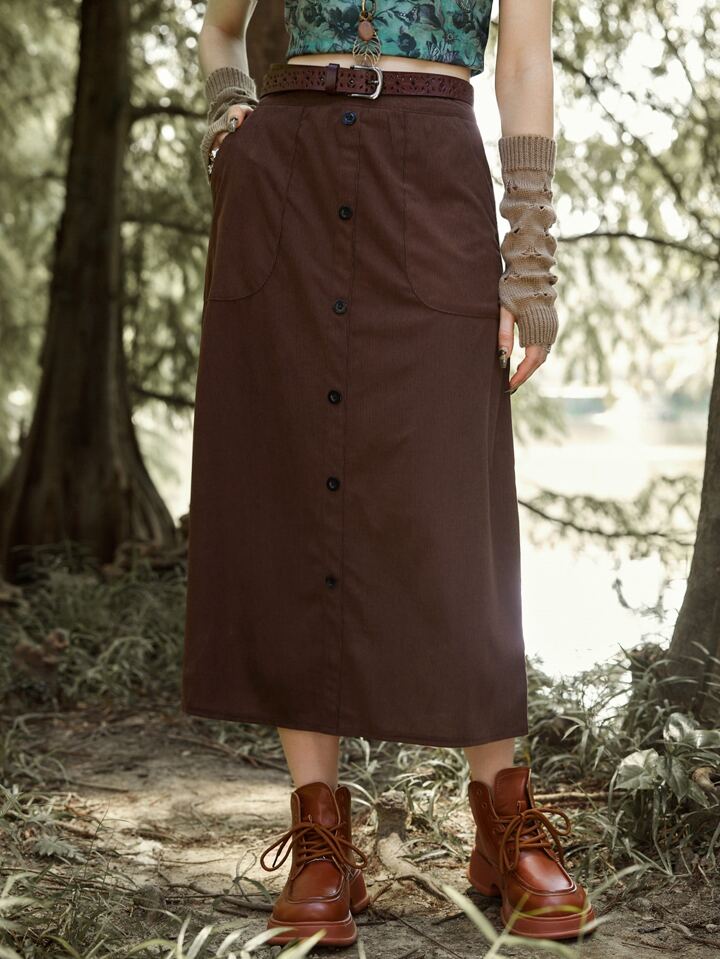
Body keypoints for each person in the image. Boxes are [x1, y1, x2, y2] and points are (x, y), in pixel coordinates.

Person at [183, 0, 596, 946]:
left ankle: (502, 819)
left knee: (455, 511)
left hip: (436, 171)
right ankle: (321, 837)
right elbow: (220, 28)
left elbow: (523, 62)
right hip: (284, 177)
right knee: (290, 493)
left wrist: (530, 255)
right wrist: (227, 121)